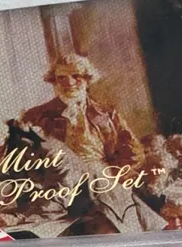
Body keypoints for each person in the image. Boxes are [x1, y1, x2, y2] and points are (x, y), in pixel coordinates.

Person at [23, 53, 163, 233]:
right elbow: (25, 160)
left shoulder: (107, 113)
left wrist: (114, 174)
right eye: (61, 78)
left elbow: (132, 151)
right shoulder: (36, 116)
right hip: (59, 184)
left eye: (76, 76)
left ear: (87, 79)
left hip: (103, 180)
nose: (69, 83)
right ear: (54, 81)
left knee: (117, 226)